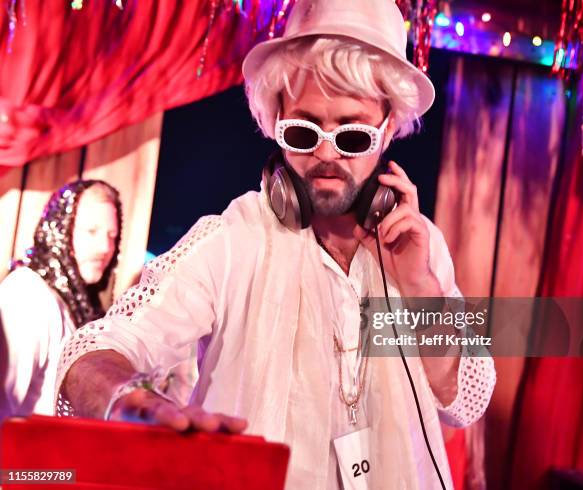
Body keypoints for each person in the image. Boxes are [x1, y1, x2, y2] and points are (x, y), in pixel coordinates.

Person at [56, 0, 496, 488]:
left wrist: (420, 287)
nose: (325, 154)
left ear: (388, 127)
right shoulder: (233, 239)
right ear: (276, 117)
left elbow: (465, 401)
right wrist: (133, 402)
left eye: (350, 135)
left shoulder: (421, 245)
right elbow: (93, 350)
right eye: (304, 131)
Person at [0, 180, 121, 421]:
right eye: (91, 231)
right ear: (60, 230)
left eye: (112, 236)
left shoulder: (75, 304)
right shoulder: (29, 293)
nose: (104, 247)